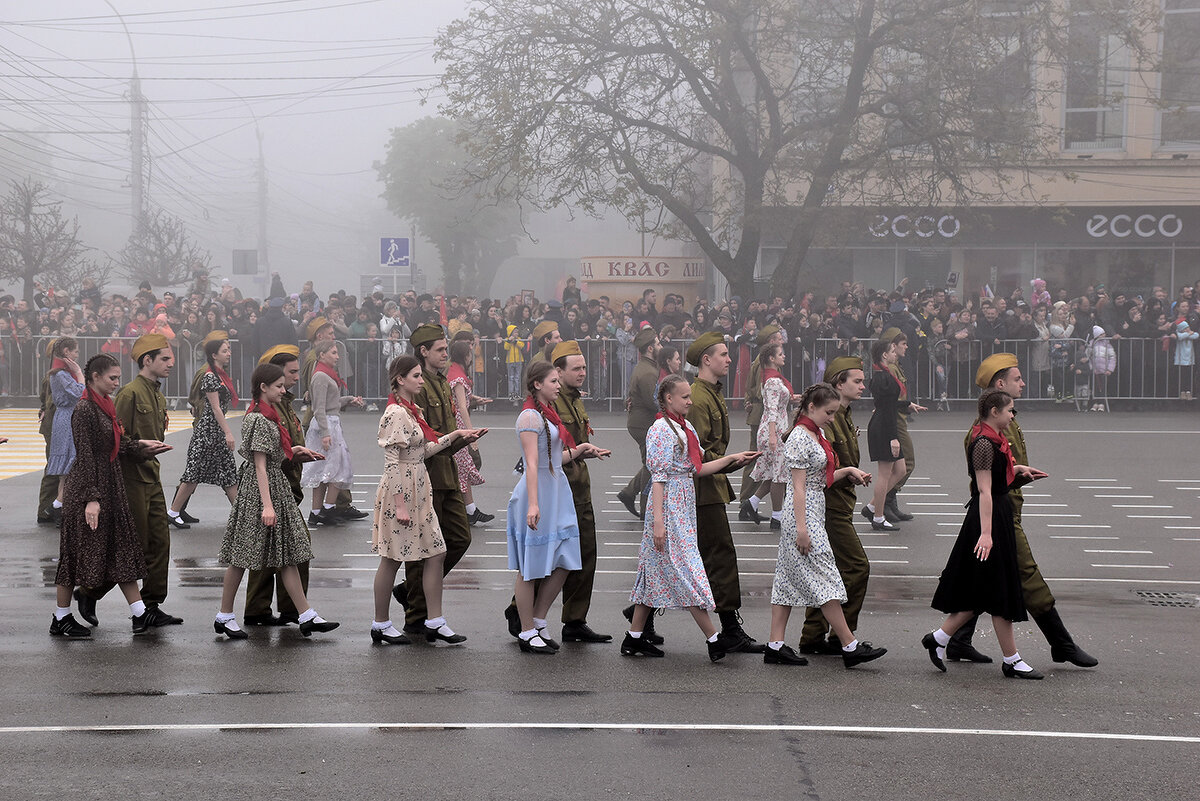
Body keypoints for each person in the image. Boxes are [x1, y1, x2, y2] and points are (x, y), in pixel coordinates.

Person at [946, 354, 1099, 668]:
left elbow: (1006, 469)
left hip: (1006, 509)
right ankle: (1061, 643)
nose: (1023, 383)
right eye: (1017, 378)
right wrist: (1013, 481)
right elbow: (987, 481)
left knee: (983, 575)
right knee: (1027, 575)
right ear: (1000, 384)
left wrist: (1019, 474)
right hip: (999, 514)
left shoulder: (1004, 421)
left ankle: (957, 640)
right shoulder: (984, 431)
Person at [622, 374, 758, 661]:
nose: (689, 400)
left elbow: (696, 468)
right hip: (668, 508)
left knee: (653, 573)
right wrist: (659, 522)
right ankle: (714, 638)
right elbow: (658, 478)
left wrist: (733, 459)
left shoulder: (685, 428)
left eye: (689, 396)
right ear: (668, 398)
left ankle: (633, 638)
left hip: (682, 503)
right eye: (684, 396)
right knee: (689, 571)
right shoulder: (660, 429)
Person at [923, 389, 1048, 679]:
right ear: (995, 411)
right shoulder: (982, 442)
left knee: (987, 590)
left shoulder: (993, 437)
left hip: (994, 516)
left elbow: (997, 476)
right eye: (1010, 410)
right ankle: (1012, 660)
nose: (1012, 415)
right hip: (987, 521)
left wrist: (1018, 470)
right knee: (998, 589)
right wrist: (987, 534)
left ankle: (940, 638)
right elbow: (984, 490)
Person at [764, 382, 886, 668]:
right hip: (803, 514)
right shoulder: (800, 437)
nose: (832, 417)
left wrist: (849, 471)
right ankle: (849, 644)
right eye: (828, 412)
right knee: (827, 578)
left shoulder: (813, 433)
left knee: (786, 579)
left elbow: (820, 478)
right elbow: (798, 488)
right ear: (811, 408)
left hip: (811, 509)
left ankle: (775, 645)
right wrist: (803, 529)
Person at [215, 363, 338, 639]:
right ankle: (224, 615)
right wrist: (267, 506)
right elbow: (260, 466)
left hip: (271, 486)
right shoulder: (259, 419)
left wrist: (293, 452)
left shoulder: (266, 416)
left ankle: (306, 615)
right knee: (241, 556)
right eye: (279, 386)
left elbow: (271, 458)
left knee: (286, 555)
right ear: (263, 387)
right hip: (262, 492)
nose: (284, 390)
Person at [370, 355, 484, 646]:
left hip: (419, 485)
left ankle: (435, 621)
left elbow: (423, 451)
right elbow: (392, 462)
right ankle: (380, 623)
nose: (422, 380)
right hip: (402, 489)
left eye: (421, 375)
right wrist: (399, 503)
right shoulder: (396, 413)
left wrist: (458, 435)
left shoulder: (411, 410)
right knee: (392, 559)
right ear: (400, 380)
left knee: (436, 553)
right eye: (416, 376)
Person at [51, 353, 163, 638]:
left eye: (117, 377)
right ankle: (61, 617)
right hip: (90, 487)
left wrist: (139, 447)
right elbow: (86, 454)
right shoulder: (84, 409)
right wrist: (91, 498)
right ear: (95, 377)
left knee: (122, 549)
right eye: (112, 378)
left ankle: (139, 614)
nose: (116, 383)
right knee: (75, 554)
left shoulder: (105, 405)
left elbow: (116, 444)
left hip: (110, 485)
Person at [74, 333, 182, 629]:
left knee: (160, 542)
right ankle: (88, 592)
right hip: (129, 478)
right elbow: (114, 440)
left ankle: (151, 605)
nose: (171, 363)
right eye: (165, 358)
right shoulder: (130, 394)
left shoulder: (156, 393)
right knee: (132, 545)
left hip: (151, 475)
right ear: (147, 360)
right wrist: (138, 447)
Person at [393, 324, 487, 636]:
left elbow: (445, 431)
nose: (446, 354)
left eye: (446, 350)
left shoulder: (442, 382)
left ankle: (410, 589)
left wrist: (465, 439)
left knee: (460, 538)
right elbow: (422, 438)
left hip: (448, 473)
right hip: (426, 475)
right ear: (423, 352)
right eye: (440, 350)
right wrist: (456, 438)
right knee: (422, 549)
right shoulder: (420, 387)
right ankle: (417, 616)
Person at [506, 360, 606, 654]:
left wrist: (582, 450)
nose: (558, 385)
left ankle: (537, 620)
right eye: (553, 381)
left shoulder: (547, 416)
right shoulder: (529, 417)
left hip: (556, 490)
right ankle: (526, 632)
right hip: (538, 493)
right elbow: (532, 464)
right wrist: (534, 505)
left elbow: (552, 458)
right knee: (530, 567)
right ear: (537, 384)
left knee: (564, 559)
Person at [685, 330, 765, 653]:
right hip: (702, 488)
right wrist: (731, 461)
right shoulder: (697, 398)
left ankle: (640, 620)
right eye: (723, 354)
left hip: (712, 484)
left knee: (689, 559)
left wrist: (731, 462)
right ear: (707, 360)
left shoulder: (710, 393)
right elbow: (695, 455)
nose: (730, 359)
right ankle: (730, 629)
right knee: (718, 557)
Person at [798, 357, 875, 656]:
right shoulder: (829, 419)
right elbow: (820, 468)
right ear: (839, 384)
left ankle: (815, 636)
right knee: (856, 567)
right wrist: (848, 472)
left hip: (840, 503)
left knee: (827, 571)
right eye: (856, 380)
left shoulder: (842, 414)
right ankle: (842, 637)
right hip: (828, 506)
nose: (862, 385)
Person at [243, 345, 322, 627]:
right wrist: (293, 453)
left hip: (288, 484)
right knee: (291, 548)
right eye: (290, 372)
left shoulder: (283, 403)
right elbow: (263, 457)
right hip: (276, 487)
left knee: (273, 550)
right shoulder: (265, 408)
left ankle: (269, 610)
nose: (295, 377)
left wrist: (295, 452)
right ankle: (284, 610)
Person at [550, 341, 613, 642]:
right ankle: (518, 609)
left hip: (580, 485)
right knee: (550, 555)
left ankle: (574, 620)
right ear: (558, 372)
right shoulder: (553, 401)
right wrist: (579, 450)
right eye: (576, 368)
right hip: (559, 488)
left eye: (584, 367)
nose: (582, 373)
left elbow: (574, 442)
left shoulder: (575, 400)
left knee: (586, 552)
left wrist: (586, 451)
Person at [168, 333, 239, 527]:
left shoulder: (220, 375)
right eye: (224, 351)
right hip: (208, 432)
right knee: (194, 473)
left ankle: (240, 515)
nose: (229, 353)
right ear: (214, 355)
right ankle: (173, 512)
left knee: (229, 474)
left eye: (229, 350)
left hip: (215, 431)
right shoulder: (209, 376)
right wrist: (228, 432)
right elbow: (215, 408)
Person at [301, 340, 365, 527]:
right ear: (322, 355)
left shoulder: (325, 374)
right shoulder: (321, 376)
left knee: (323, 470)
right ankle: (328, 509)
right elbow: (319, 408)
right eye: (334, 353)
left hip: (329, 422)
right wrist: (325, 433)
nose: (337, 357)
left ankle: (316, 512)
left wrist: (349, 400)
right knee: (339, 468)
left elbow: (332, 403)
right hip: (326, 424)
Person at [863, 337, 914, 531]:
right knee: (884, 474)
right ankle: (877, 517)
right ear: (884, 355)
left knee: (900, 470)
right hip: (884, 427)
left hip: (885, 423)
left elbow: (889, 404)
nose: (895, 354)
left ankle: (871, 507)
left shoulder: (883, 374)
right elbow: (886, 409)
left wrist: (908, 404)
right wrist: (893, 437)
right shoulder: (882, 377)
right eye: (892, 351)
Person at [878, 328, 925, 521]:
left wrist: (907, 406)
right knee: (907, 463)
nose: (906, 346)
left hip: (899, 417)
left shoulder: (896, 366)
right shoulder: (889, 368)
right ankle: (883, 501)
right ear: (892, 346)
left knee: (901, 465)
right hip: (894, 420)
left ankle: (889, 501)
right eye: (903, 344)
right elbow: (888, 398)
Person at [739, 325, 784, 523]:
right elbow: (760, 390)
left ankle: (752, 502)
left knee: (767, 464)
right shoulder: (762, 364)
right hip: (762, 416)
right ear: (770, 342)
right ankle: (746, 502)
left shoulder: (768, 363)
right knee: (757, 461)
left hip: (763, 415)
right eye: (777, 338)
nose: (781, 341)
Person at [747, 342, 793, 530]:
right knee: (779, 475)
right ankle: (777, 516)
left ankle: (752, 503)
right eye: (780, 354)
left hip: (773, 428)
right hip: (773, 429)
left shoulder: (773, 378)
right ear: (771, 358)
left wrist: (794, 397)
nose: (784, 356)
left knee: (774, 472)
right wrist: (774, 435)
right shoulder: (773, 381)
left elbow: (777, 402)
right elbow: (772, 409)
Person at [448, 338, 494, 525]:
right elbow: (461, 406)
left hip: (459, 424)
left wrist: (475, 399)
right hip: (459, 425)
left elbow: (463, 398)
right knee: (462, 468)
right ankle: (466, 511)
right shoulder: (458, 377)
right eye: (469, 354)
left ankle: (470, 510)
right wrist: (470, 433)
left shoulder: (455, 372)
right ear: (464, 356)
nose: (471, 358)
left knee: (463, 469)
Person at [616, 326, 659, 518]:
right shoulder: (648, 372)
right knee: (651, 465)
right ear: (650, 348)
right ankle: (645, 510)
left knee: (650, 463)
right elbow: (653, 401)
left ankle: (628, 493)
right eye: (658, 344)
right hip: (644, 423)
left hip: (639, 421)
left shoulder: (645, 367)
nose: (661, 346)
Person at [44, 337, 85, 525]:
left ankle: (60, 507)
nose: (77, 354)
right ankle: (56, 507)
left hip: (65, 417)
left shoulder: (59, 371)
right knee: (71, 467)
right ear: (67, 351)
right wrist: (79, 373)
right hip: (67, 418)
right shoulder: (61, 373)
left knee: (66, 472)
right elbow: (79, 392)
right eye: (75, 351)